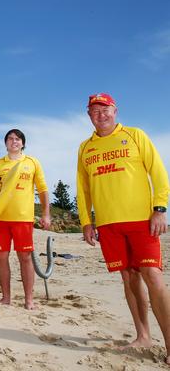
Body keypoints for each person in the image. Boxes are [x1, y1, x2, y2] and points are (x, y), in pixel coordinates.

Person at [77, 93, 170, 362]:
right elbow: (83, 189)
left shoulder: (135, 135)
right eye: (95, 110)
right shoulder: (85, 148)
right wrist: (86, 221)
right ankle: (143, 336)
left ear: (115, 111)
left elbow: (159, 173)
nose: (100, 114)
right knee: (128, 278)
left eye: (105, 109)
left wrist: (160, 209)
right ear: (89, 115)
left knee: (152, 276)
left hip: (142, 220)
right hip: (108, 224)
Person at [0, 128, 51, 310]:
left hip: (23, 219)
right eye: (10, 138)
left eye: (18, 139)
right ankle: (6, 298)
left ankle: (29, 299)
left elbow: (43, 190)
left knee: (25, 258)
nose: (14, 141)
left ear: (23, 143)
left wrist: (46, 213)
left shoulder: (32, 163)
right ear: (5, 143)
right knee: (0, 257)